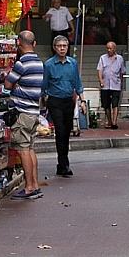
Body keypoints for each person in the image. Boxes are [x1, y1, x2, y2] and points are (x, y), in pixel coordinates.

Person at [3, 31, 45, 199]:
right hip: (34, 111)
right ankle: (34, 184)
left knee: (23, 149)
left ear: (19, 43)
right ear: (34, 44)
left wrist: (15, 86)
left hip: (23, 112)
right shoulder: (39, 62)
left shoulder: (22, 63)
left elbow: (7, 84)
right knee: (30, 148)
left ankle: (29, 187)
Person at [43, 35, 83, 177]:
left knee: (66, 132)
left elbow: (77, 83)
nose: (62, 48)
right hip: (55, 101)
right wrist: (43, 100)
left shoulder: (72, 63)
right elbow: (44, 85)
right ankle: (64, 164)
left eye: (64, 46)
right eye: (59, 46)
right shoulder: (48, 64)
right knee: (60, 131)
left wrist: (82, 101)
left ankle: (62, 164)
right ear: (54, 48)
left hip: (68, 101)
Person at [96, 40, 125, 130]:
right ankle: (109, 121)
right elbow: (99, 70)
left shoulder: (120, 58)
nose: (109, 50)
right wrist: (101, 81)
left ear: (114, 49)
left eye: (110, 48)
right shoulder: (103, 58)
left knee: (115, 104)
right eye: (107, 48)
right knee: (106, 105)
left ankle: (114, 122)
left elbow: (122, 71)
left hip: (116, 85)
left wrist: (120, 82)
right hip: (105, 85)